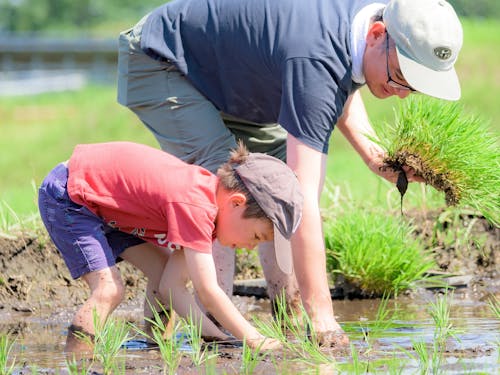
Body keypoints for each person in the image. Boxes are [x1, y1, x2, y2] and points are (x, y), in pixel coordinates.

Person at [117, 0, 463, 346]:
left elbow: (342, 79)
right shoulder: (318, 55)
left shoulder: (362, 23)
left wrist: (375, 157)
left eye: (413, 86)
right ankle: (209, 332)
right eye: (400, 76)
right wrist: (326, 320)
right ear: (377, 34)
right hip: (166, 60)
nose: (402, 94)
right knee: (221, 189)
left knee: (276, 184)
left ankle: (289, 319)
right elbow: (304, 198)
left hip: (235, 83)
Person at [38, 141, 303, 353]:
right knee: (109, 289)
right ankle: (79, 358)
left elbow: (171, 286)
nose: (248, 248)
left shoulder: (209, 211)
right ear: (236, 203)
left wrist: (214, 336)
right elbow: (208, 291)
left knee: (164, 271)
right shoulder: (196, 206)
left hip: (105, 207)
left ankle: (156, 347)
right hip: (70, 195)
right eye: (256, 236)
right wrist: (254, 339)